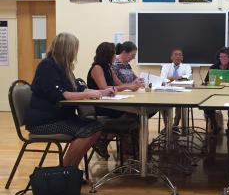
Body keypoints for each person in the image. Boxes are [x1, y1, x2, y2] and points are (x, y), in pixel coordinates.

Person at [24, 32, 115, 166]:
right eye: (74, 49)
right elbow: (64, 94)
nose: (75, 53)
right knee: (89, 130)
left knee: (97, 127)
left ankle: (71, 168)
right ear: (67, 50)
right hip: (45, 122)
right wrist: (89, 94)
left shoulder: (63, 67)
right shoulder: (47, 66)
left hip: (61, 117)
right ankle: (66, 171)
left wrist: (102, 92)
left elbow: (79, 88)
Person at [87, 42, 143, 158]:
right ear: (107, 55)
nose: (115, 56)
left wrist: (132, 84)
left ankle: (124, 146)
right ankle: (110, 141)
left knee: (133, 114)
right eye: (113, 54)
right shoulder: (97, 68)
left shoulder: (108, 68)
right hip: (100, 105)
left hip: (109, 102)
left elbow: (120, 84)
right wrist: (127, 86)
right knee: (131, 113)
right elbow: (104, 88)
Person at [204, 47, 229, 135]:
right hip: (215, 94)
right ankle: (215, 125)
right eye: (221, 57)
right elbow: (206, 81)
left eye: (225, 57)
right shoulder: (214, 67)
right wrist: (210, 82)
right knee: (207, 107)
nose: (223, 59)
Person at [160, 48, 192, 131]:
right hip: (167, 91)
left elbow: (187, 78)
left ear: (182, 58)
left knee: (180, 104)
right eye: (175, 54)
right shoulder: (166, 66)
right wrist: (179, 77)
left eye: (180, 54)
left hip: (181, 91)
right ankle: (167, 126)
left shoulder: (187, 67)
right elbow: (162, 79)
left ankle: (174, 125)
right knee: (162, 103)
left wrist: (171, 78)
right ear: (171, 57)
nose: (178, 56)